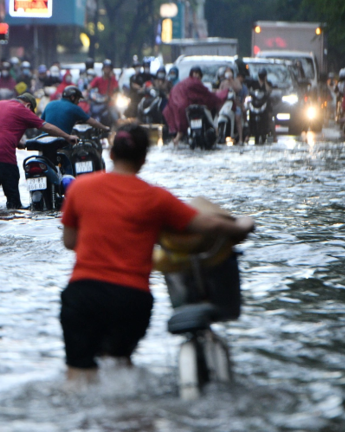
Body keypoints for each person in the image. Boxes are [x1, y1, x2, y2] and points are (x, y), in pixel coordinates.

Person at [60, 124, 255, 381]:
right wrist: (242, 224)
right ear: (143, 159)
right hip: (131, 299)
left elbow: (70, 242)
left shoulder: (79, 188)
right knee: (119, 371)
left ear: (111, 154)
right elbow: (206, 224)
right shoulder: (156, 198)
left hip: (83, 295)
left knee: (78, 377)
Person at [0, 93, 78, 209]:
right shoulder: (23, 110)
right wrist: (67, 137)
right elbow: (47, 127)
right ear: (28, 105)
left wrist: (19, 143)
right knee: (13, 203)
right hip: (4, 157)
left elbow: (4, 126)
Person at [162, 67, 228, 146]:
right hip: (185, 107)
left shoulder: (197, 84)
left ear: (200, 76)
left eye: (198, 74)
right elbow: (207, 96)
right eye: (194, 73)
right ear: (191, 74)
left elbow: (204, 94)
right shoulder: (191, 83)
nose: (196, 75)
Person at [43, 86, 110, 135]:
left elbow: (41, 122)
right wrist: (105, 128)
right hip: (61, 141)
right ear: (72, 97)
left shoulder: (50, 104)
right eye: (78, 99)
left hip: (44, 139)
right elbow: (93, 122)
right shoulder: (74, 108)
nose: (78, 102)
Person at [217, 67, 244, 144]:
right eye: (226, 72)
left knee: (237, 117)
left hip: (235, 105)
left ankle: (241, 138)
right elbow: (219, 93)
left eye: (229, 72)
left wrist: (231, 81)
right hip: (225, 105)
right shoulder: (223, 83)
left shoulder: (236, 81)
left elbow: (239, 89)